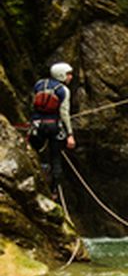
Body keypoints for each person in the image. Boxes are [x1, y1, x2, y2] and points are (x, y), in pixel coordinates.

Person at [29, 62, 76, 196]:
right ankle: (54, 191)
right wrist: (70, 134)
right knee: (55, 157)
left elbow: (33, 104)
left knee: (34, 152)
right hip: (54, 126)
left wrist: (32, 121)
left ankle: (37, 178)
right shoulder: (63, 90)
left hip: (37, 124)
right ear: (61, 75)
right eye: (68, 74)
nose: (70, 77)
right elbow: (64, 113)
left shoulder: (39, 84)